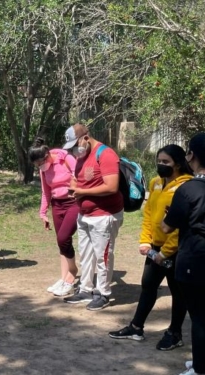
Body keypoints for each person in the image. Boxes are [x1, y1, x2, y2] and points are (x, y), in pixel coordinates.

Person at [160, 133, 205, 375]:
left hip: (194, 260)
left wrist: (167, 215)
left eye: (188, 151)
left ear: (192, 156)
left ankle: (199, 370)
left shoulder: (189, 188)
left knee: (200, 317)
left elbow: (167, 227)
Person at [108, 145, 193, 350]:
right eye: (159, 161)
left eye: (166, 162)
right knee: (148, 286)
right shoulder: (155, 184)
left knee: (177, 291)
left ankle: (175, 333)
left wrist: (166, 253)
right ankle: (136, 327)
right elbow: (148, 215)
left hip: (175, 249)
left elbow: (181, 224)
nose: (161, 165)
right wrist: (146, 241)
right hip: (155, 246)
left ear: (179, 164)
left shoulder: (187, 187)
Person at [61, 123, 124, 311]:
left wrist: (81, 191)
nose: (74, 149)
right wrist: (74, 188)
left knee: (102, 255)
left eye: (76, 144)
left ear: (86, 138)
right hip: (85, 214)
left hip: (104, 215)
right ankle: (86, 289)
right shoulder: (81, 155)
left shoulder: (106, 155)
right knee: (86, 254)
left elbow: (112, 186)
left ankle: (103, 293)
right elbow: (76, 177)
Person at [28, 137, 79, 297]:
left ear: (47, 155)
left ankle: (72, 273)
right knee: (62, 243)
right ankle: (63, 278)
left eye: (40, 163)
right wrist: (43, 213)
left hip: (73, 202)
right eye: (36, 165)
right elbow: (46, 192)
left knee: (63, 238)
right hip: (57, 205)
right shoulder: (43, 169)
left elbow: (79, 177)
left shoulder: (66, 159)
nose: (40, 167)